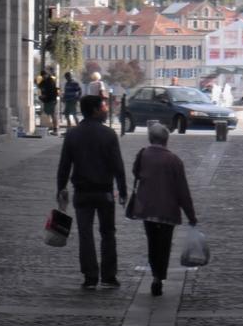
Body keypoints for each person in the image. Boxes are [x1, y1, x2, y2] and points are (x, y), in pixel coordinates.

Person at [57, 95, 127, 289]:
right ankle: (109, 275)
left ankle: (90, 275)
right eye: (103, 107)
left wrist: (61, 188)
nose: (105, 110)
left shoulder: (73, 134)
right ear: (95, 110)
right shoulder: (109, 134)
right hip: (104, 191)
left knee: (85, 234)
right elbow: (117, 165)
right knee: (108, 233)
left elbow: (64, 165)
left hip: (82, 191)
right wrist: (122, 190)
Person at [131, 123, 197, 297]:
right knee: (165, 244)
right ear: (166, 139)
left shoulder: (143, 154)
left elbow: (135, 173)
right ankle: (160, 277)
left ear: (150, 138)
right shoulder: (174, 160)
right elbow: (182, 190)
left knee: (152, 243)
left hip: (147, 208)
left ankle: (155, 276)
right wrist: (191, 215)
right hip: (168, 210)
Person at [38, 69, 59, 135]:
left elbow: (52, 91)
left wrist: (45, 96)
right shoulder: (44, 81)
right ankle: (51, 128)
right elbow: (40, 86)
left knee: (52, 114)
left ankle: (55, 129)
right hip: (47, 100)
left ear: (46, 74)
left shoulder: (51, 81)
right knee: (48, 114)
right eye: (42, 76)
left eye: (44, 75)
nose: (44, 77)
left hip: (51, 100)